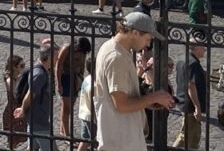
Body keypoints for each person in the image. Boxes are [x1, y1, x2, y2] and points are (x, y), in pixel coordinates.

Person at [93, 12, 174, 151]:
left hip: (122, 139)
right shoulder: (116, 57)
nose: (148, 44)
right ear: (135, 33)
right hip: (121, 142)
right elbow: (121, 104)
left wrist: (147, 102)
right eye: (148, 38)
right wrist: (153, 97)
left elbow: (123, 98)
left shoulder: (117, 50)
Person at [12, 42, 54, 151]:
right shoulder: (39, 74)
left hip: (35, 117)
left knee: (32, 148)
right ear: (49, 57)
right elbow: (30, 94)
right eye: (56, 56)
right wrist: (22, 110)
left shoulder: (38, 68)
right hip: (39, 119)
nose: (58, 59)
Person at [172, 35, 208, 149]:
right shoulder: (193, 64)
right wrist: (197, 107)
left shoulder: (182, 59)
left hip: (183, 101)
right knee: (189, 136)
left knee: (186, 133)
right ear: (196, 48)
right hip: (190, 106)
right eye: (203, 46)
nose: (205, 49)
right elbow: (190, 86)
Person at [53, 37, 91, 139]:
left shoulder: (82, 51)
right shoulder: (67, 48)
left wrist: (81, 79)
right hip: (65, 77)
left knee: (70, 107)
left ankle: (62, 129)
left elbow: (82, 65)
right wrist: (59, 83)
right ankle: (66, 135)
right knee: (66, 107)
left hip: (75, 78)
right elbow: (59, 65)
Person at [2, 54, 28, 150]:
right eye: (21, 66)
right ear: (14, 67)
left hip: (18, 109)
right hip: (12, 112)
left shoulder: (19, 77)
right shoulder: (10, 80)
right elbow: (16, 95)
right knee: (13, 139)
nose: (24, 67)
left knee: (17, 139)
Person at [76, 57, 95, 151]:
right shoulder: (94, 85)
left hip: (84, 114)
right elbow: (94, 104)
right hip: (92, 118)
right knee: (97, 143)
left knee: (84, 140)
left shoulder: (87, 79)